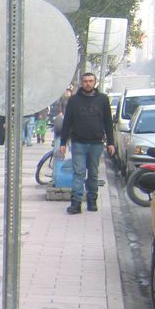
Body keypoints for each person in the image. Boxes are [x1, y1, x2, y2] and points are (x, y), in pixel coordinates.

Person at [58, 71, 115, 214]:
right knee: (79, 172)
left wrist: (111, 142)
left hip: (96, 143)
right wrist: (63, 143)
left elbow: (108, 122)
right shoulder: (74, 100)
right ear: (82, 83)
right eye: (85, 81)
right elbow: (67, 122)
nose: (88, 83)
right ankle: (76, 203)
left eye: (90, 81)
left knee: (94, 173)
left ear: (95, 82)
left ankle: (92, 200)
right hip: (78, 142)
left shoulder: (102, 99)